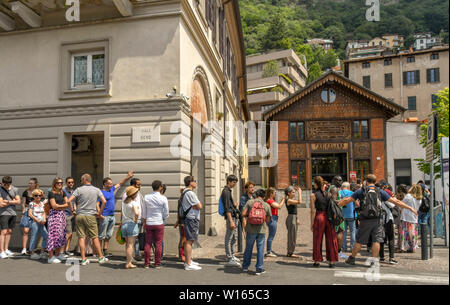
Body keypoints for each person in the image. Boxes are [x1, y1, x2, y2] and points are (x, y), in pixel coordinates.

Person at [339, 174, 418, 266]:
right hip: (377, 219)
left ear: (366, 181)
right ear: (375, 181)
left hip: (365, 219)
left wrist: (336, 206)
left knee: (359, 240)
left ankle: (352, 258)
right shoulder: (380, 191)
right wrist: (410, 208)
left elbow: (347, 200)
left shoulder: (361, 191)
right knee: (376, 241)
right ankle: (373, 260)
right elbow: (396, 201)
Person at [67, 173, 109, 266]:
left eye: (81, 180)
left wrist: (73, 210)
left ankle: (83, 259)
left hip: (80, 215)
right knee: (94, 237)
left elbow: (69, 200)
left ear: (84, 179)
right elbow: (104, 201)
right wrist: (100, 213)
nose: (81, 181)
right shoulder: (96, 190)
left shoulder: (78, 189)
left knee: (81, 237)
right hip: (91, 216)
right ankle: (101, 257)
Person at [99, 171, 134, 257]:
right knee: (101, 235)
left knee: (108, 235)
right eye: (109, 183)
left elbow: (119, 184)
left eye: (111, 183)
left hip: (111, 216)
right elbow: (97, 204)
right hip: (104, 216)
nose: (111, 184)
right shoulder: (100, 192)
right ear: (105, 184)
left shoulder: (111, 190)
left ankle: (105, 250)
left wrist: (128, 177)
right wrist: (100, 215)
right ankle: (98, 251)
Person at [241, 189, 271, 275]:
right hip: (261, 230)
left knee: (248, 248)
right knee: (260, 249)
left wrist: (248, 218)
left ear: (256, 195)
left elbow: (243, 213)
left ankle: (245, 267)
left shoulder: (250, 202)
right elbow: (268, 219)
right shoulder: (266, 205)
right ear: (264, 197)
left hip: (250, 229)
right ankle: (259, 268)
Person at [310, 176, 339, 268]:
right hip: (329, 217)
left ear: (315, 184)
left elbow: (312, 211)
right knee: (331, 238)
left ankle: (317, 260)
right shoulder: (329, 194)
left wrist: (311, 223)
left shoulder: (313, 195)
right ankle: (332, 260)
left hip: (319, 216)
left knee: (317, 239)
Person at [142, 180, 168, 269]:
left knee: (148, 243)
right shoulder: (163, 198)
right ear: (160, 187)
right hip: (159, 222)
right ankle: (157, 263)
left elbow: (144, 211)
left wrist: (144, 221)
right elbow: (166, 212)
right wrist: (163, 217)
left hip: (149, 222)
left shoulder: (146, 197)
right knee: (158, 243)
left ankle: (147, 263)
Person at [46, 178, 71, 264]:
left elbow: (68, 203)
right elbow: (54, 206)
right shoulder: (51, 193)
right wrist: (64, 206)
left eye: (61, 183)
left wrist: (62, 206)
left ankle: (57, 254)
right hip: (54, 215)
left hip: (61, 215)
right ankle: (50, 257)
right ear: (54, 184)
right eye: (58, 183)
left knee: (60, 235)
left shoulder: (62, 192)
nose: (60, 184)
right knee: (52, 235)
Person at [181, 176, 202, 271]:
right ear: (190, 182)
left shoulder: (185, 192)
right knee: (189, 240)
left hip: (190, 218)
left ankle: (189, 260)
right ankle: (188, 263)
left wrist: (196, 206)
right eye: (195, 181)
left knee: (190, 240)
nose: (196, 182)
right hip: (191, 219)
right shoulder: (190, 193)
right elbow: (199, 206)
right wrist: (196, 206)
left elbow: (197, 206)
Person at [122, 178, 144, 262]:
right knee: (131, 241)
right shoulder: (127, 195)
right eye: (138, 184)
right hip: (132, 220)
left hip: (137, 219)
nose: (140, 186)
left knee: (135, 238)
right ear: (132, 185)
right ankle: (130, 257)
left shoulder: (139, 194)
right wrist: (135, 218)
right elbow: (125, 208)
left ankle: (135, 254)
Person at [222, 175, 241, 267]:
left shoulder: (229, 191)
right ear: (229, 181)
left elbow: (230, 206)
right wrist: (231, 221)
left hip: (234, 216)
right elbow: (227, 208)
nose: (235, 184)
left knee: (234, 237)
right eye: (233, 182)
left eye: (235, 182)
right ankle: (229, 257)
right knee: (229, 238)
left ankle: (232, 255)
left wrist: (234, 205)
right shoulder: (225, 192)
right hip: (231, 218)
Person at [0, 176, 21, 259]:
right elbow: (1, 204)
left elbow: (18, 201)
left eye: (7, 184)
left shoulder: (15, 189)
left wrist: (8, 201)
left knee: (9, 231)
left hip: (13, 213)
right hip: (3, 213)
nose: (6, 186)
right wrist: (13, 202)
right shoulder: (0, 189)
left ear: (10, 183)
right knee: (3, 232)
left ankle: (6, 249)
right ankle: (1, 251)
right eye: (4, 184)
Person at [399, 184, 422, 253]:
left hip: (406, 216)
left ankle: (404, 247)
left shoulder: (408, 196)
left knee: (405, 232)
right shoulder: (419, 199)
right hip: (414, 217)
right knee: (413, 233)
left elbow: (401, 204)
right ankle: (413, 247)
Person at [121, 186, 141, 269]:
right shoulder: (134, 203)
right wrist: (136, 220)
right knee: (130, 245)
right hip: (131, 224)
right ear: (133, 194)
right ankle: (128, 263)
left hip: (124, 224)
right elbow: (136, 213)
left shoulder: (124, 203)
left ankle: (128, 261)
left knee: (128, 245)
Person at [328, 176, 346, 259]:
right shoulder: (334, 189)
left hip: (334, 213)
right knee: (339, 231)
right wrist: (343, 200)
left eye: (341, 180)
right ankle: (338, 251)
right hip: (336, 214)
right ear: (333, 181)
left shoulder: (332, 188)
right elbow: (333, 201)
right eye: (338, 180)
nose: (340, 182)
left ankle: (335, 250)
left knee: (337, 232)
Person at [19, 178, 39, 255]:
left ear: (35, 184)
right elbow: (23, 203)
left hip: (36, 212)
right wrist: (23, 212)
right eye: (29, 183)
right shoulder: (25, 192)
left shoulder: (38, 192)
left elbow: (40, 202)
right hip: (27, 211)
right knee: (26, 231)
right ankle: (24, 249)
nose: (30, 184)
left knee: (34, 231)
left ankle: (31, 249)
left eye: (31, 183)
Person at [28, 189, 48, 260]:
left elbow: (44, 212)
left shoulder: (42, 203)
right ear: (33, 196)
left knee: (46, 235)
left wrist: (44, 219)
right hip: (35, 222)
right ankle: (32, 253)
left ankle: (42, 252)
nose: (38, 197)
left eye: (40, 195)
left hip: (42, 222)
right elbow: (30, 214)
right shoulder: (31, 204)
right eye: (36, 195)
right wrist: (37, 220)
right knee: (34, 237)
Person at [265, 187, 285, 257]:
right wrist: (283, 200)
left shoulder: (271, 200)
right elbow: (279, 206)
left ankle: (269, 249)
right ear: (271, 193)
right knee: (271, 236)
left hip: (274, 218)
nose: (276, 194)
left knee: (271, 235)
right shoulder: (269, 201)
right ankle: (269, 251)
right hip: (272, 218)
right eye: (275, 192)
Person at [284, 185, 302, 258]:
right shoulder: (288, 200)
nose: (295, 193)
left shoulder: (290, 199)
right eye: (293, 192)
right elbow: (300, 202)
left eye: (295, 192)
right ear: (289, 193)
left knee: (293, 235)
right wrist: (300, 193)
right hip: (291, 218)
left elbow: (295, 210)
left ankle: (290, 251)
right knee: (291, 236)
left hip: (293, 217)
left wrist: (297, 218)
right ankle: (290, 252)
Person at [380, 195, 398, 264]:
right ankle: (391, 258)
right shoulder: (385, 200)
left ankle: (381, 257)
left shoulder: (376, 199)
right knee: (391, 239)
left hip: (380, 221)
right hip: (388, 220)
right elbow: (393, 205)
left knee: (381, 239)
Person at [238, 181, 256, 252]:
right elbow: (242, 211)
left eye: (253, 187)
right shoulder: (243, 198)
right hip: (247, 219)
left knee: (253, 236)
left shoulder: (254, 197)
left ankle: (249, 251)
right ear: (246, 189)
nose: (252, 189)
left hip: (253, 219)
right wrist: (244, 221)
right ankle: (247, 252)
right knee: (248, 236)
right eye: (250, 187)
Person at [340, 182, 356, 254]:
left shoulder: (339, 192)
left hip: (342, 215)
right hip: (351, 215)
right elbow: (357, 203)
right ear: (348, 187)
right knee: (352, 231)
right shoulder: (352, 193)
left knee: (344, 232)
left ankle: (344, 247)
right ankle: (352, 247)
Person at [62, 177, 75, 256]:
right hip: (66, 214)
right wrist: (72, 210)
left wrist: (75, 210)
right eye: (69, 182)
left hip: (73, 214)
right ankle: (62, 250)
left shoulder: (74, 191)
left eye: (72, 182)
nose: (71, 184)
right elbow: (68, 202)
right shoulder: (64, 191)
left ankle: (66, 250)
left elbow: (74, 202)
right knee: (68, 233)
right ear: (66, 183)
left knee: (71, 234)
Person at [174, 188, 187, 262]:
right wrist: (178, 221)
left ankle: (183, 255)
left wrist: (177, 221)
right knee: (183, 239)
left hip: (182, 222)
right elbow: (180, 213)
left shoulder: (180, 200)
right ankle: (182, 255)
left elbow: (179, 213)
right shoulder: (182, 200)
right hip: (183, 222)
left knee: (183, 239)